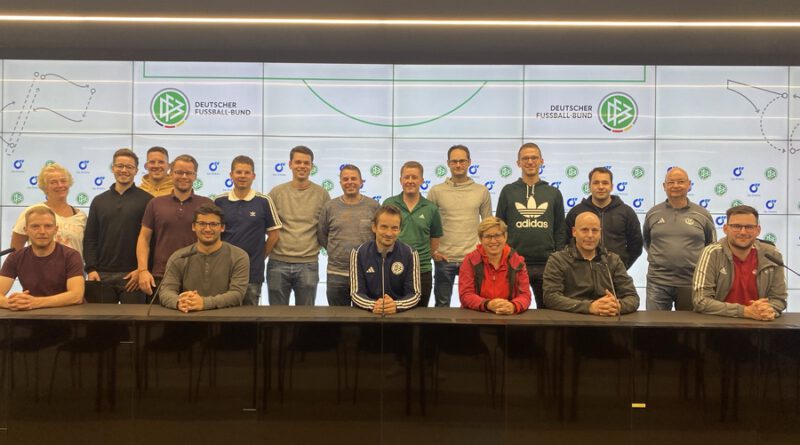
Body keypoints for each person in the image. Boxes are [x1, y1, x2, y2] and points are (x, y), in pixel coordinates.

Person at [495, 142, 566, 309]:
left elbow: (560, 230)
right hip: (514, 263)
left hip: (547, 264)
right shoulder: (508, 191)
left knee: (548, 312)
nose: (530, 162)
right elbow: (500, 227)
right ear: (518, 163)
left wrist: (557, 258)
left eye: (534, 158)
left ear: (541, 161)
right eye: (525, 158)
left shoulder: (553, 193)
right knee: (512, 310)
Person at [136, 154, 213, 298]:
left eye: (188, 173)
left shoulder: (207, 204)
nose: (184, 176)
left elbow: (215, 241)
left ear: (195, 176)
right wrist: (143, 270)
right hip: (161, 275)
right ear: (171, 173)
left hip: (198, 276)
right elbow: (144, 239)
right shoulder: (155, 203)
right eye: (179, 172)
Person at [692, 205, 786, 320]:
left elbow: (779, 299)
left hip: (761, 323)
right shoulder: (712, 253)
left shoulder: (772, 254)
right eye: (736, 226)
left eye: (749, 227)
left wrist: (768, 310)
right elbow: (701, 300)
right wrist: (744, 311)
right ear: (725, 229)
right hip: (719, 323)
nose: (743, 232)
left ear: (758, 230)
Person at [83, 148, 153, 303]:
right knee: (102, 319)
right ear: (113, 168)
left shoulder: (148, 200)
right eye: (120, 166)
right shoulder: (99, 201)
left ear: (136, 170)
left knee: (134, 319)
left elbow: (151, 240)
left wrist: (142, 269)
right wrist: (91, 269)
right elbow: (90, 239)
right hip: (101, 275)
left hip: (133, 277)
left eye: (129, 167)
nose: (124, 170)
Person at [427, 144, 492, 307]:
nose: (458, 165)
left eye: (462, 161)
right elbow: (428, 225)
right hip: (444, 258)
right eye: (454, 161)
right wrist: (433, 251)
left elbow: (488, 226)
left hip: (472, 259)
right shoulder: (436, 191)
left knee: (473, 307)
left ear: (469, 162)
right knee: (442, 307)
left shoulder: (481, 191)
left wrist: (483, 253)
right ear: (448, 163)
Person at [643, 167, 715, 311]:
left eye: (680, 182)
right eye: (671, 182)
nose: (675, 186)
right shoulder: (653, 213)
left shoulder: (702, 214)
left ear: (689, 184)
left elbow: (710, 247)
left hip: (692, 282)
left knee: (689, 325)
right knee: (654, 324)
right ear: (664, 186)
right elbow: (647, 242)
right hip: (657, 282)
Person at [267, 146, 330, 305]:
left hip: (308, 264)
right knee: (276, 315)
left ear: (312, 166)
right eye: (298, 162)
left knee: (306, 316)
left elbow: (326, 228)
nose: (302, 166)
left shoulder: (322, 194)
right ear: (290, 164)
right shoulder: (276, 193)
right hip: (277, 263)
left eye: (306, 163)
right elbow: (267, 227)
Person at [215, 155, 281, 306]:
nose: (242, 176)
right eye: (238, 172)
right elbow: (213, 234)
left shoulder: (264, 201)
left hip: (252, 273)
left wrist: (259, 257)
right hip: (223, 272)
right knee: (222, 314)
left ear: (253, 176)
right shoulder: (219, 201)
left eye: (247, 172)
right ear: (231, 175)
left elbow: (274, 235)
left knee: (250, 316)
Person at [543, 212, 639, 316]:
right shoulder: (558, 260)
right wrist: (589, 307)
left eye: (595, 230)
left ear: (600, 233)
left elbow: (632, 297)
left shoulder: (612, 260)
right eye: (584, 230)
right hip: (572, 320)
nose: (590, 235)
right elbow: (550, 297)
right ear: (574, 232)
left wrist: (618, 306)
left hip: (607, 319)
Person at [159, 204, 249, 312]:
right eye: (202, 223)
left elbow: (237, 294)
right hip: (187, 317)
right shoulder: (179, 257)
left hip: (226, 318)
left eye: (213, 224)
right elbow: (166, 291)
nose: (207, 229)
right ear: (193, 226)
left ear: (222, 227)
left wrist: (204, 303)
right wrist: (179, 302)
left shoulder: (239, 256)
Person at [317, 164, 379, 306]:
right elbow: (322, 235)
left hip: (366, 273)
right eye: (345, 179)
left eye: (353, 178)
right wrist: (335, 251)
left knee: (365, 316)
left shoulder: (374, 206)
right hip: (336, 274)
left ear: (361, 182)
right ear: (340, 183)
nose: (349, 182)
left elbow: (378, 238)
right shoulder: (329, 207)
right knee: (337, 316)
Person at [0, 206, 84, 310]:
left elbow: (76, 296)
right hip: (30, 316)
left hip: (67, 317)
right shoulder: (15, 257)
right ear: (26, 230)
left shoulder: (71, 256)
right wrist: (11, 303)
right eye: (35, 226)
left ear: (55, 229)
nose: (42, 231)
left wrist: (35, 302)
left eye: (48, 226)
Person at [383, 161, 443, 307]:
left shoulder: (431, 208)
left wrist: (425, 256)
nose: (410, 181)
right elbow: (381, 233)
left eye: (414, 177)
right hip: (392, 268)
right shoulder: (389, 204)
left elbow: (435, 237)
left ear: (421, 180)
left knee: (420, 315)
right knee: (392, 312)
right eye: (406, 177)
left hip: (422, 270)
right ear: (400, 180)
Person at [565, 167, 643, 269]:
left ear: (612, 186)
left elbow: (636, 245)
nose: (601, 187)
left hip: (615, 273)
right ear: (589, 186)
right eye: (596, 183)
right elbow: (565, 243)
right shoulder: (576, 212)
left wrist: (622, 266)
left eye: (605, 183)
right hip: (581, 273)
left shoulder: (626, 212)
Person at [350, 205, 420, 314]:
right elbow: (356, 293)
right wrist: (374, 305)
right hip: (368, 314)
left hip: (398, 315)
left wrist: (396, 305)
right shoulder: (358, 252)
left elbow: (414, 294)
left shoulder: (410, 253)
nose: (389, 233)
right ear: (374, 227)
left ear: (400, 230)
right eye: (384, 227)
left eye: (394, 228)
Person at [11, 163, 87, 257]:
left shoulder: (81, 216)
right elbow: (16, 251)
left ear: (69, 183)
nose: (60, 185)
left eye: (63, 181)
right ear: (45, 187)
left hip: (74, 266)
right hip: (39, 266)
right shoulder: (32, 212)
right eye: (53, 182)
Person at [458, 216, 531, 314]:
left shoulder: (517, 261)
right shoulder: (470, 260)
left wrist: (514, 306)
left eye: (497, 235)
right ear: (480, 239)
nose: (493, 241)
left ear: (505, 236)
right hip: (477, 315)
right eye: (488, 236)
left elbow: (525, 295)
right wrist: (487, 304)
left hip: (508, 316)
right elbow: (465, 295)